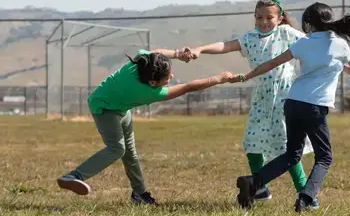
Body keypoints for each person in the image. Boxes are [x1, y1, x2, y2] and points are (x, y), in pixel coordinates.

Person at [230, 2, 350, 212]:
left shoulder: (304, 42)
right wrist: (339, 64)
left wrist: (245, 76)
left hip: (292, 103)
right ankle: (307, 196)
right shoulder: (339, 46)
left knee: (292, 154)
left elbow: (271, 64)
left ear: (308, 24)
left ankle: (253, 182)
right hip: (315, 107)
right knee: (325, 157)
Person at [181, 0, 315, 203]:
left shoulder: (286, 33)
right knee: (252, 143)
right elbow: (225, 46)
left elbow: (312, 44)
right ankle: (260, 189)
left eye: (269, 17)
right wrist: (200, 49)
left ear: (279, 19)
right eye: (259, 17)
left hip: (285, 97)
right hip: (261, 97)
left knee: (288, 146)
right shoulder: (250, 38)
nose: (263, 22)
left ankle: (304, 193)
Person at [56, 48, 232, 205]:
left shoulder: (143, 62)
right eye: (167, 77)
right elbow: (187, 87)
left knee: (130, 152)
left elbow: (155, 51)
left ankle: (139, 194)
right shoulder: (149, 92)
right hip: (104, 108)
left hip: (120, 107)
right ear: (153, 83)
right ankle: (74, 176)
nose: (171, 77)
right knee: (117, 149)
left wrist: (178, 54)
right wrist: (218, 78)